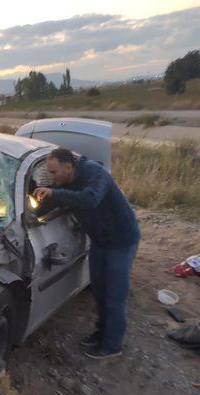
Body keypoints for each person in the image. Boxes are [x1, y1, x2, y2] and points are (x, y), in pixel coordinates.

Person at [34, 148, 140, 359]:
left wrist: (55, 193)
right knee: (100, 292)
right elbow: (50, 203)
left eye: (54, 173)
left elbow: (91, 199)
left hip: (121, 241)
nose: (51, 178)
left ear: (68, 167)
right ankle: (102, 333)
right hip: (100, 241)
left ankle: (112, 346)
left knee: (114, 296)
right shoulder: (65, 182)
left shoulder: (95, 173)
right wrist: (27, 214)